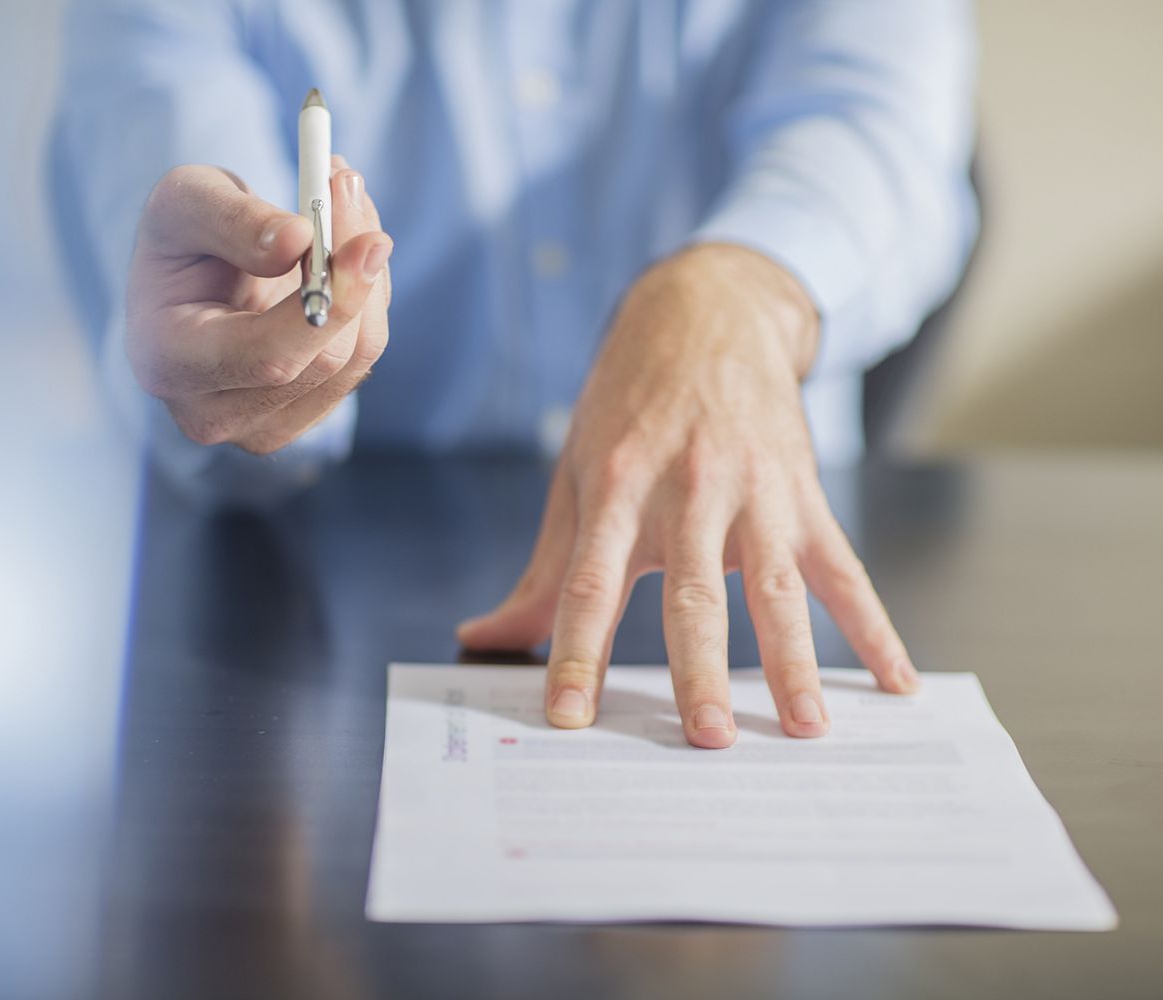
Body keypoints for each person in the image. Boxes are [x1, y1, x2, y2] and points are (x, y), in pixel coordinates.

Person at [57, 0, 978, 747]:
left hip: (747, 543)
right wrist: (253, 327)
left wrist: (748, 285)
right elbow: (176, 157)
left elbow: (879, 132)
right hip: (295, 609)